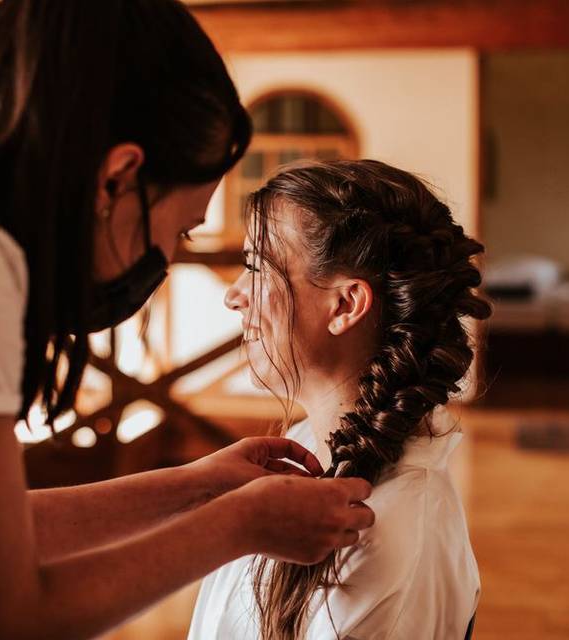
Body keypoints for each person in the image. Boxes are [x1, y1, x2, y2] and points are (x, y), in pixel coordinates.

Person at [0, 2, 374, 637]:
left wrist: (195, 489)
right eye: (178, 228)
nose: (172, 256)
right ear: (117, 178)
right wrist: (239, 526)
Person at [189, 160, 491, 639]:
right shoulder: (309, 442)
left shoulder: (393, 543)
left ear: (346, 305)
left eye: (256, 267)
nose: (234, 295)